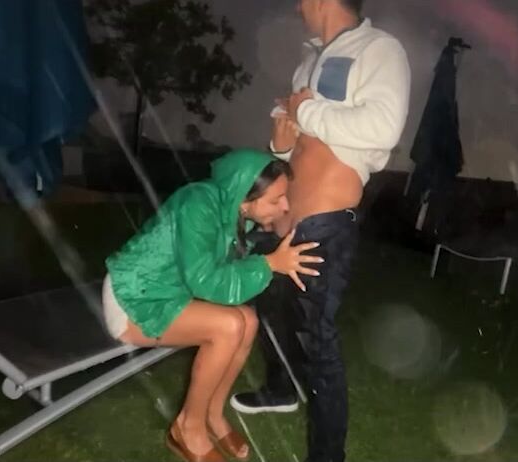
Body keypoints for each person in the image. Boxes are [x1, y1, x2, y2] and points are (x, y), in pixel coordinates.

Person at [230, 1, 411, 461]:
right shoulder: (309, 60)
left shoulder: (379, 49)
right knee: (268, 305)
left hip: (326, 222)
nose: (296, 5)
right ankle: (279, 389)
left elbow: (383, 128)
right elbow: (296, 147)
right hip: (285, 220)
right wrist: (281, 144)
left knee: (317, 339)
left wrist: (306, 110)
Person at [102, 149, 323, 462]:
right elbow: (206, 282)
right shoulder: (198, 203)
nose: (285, 206)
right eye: (276, 199)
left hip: (167, 293)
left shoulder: (232, 213)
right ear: (245, 197)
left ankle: (213, 416)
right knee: (228, 327)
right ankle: (188, 428)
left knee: (247, 321)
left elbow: (219, 277)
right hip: (133, 298)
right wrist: (269, 264)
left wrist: (270, 255)